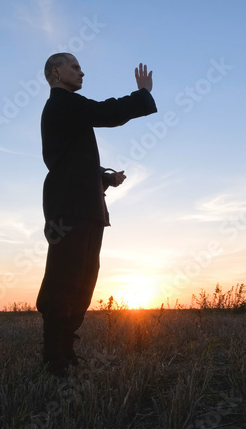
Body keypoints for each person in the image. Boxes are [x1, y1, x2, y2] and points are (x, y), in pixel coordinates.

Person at [36, 53, 156, 376]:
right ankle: (53, 357)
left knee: (84, 279)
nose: (81, 72)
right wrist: (142, 95)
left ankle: (65, 348)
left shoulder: (68, 110)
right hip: (68, 209)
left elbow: (74, 164)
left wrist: (106, 179)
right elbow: (107, 112)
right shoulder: (62, 104)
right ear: (56, 73)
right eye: (75, 67)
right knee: (63, 279)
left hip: (87, 208)